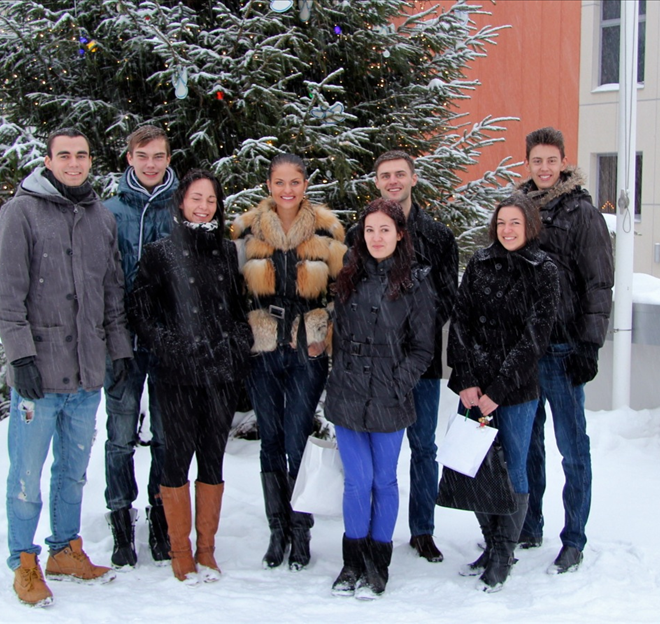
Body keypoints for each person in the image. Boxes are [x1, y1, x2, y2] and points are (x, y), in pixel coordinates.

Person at [0, 128, 132, 607]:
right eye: (64, 155)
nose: (74, 163)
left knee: (73, 472)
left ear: (91, 160)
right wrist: (21, 357)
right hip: (41, 373)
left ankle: (65, 549)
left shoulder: (100, 217)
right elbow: (6, 295)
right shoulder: (21, 213)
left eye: (82, 155)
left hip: (87, 375)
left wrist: (120, 350)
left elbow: (112, 291)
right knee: (27, 474)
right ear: (48, 161)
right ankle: (24, 561)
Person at [129, 169, 253, 584]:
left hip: (220, 373)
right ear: (181, 202)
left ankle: (207, 549)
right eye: (196, 198)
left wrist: (237, 343)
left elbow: (240, 308)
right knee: (176, 457)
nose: (204, 207)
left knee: (213, 458)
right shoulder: (159, 253)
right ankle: (180, 550)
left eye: (211, 200)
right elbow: (141, 310)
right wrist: (170, 346)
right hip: (177, 375)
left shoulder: (228, 253)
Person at [231, 153, 347, 571]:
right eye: (279, 182)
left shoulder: (326, 228)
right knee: (271, 440)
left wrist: (324, 334)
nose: (287, 190)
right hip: (262, 347)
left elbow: (343, 290)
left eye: (294, 182)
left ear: (305, 184)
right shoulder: (247, 228)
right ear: (269, 185)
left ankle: (301, 530)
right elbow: (233, 291)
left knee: (297, 438)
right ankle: (276, 529)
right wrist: (244, 333)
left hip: (305, 349)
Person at [345, 151, 459, 562]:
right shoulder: (360, 233)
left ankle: (422, 529)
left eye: (400, 174)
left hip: (419, 363)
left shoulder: (439, 237)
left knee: (423, 446)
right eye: (385, 175)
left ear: (413, 178)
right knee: (373, 462)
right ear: (376, 182)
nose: (393, 181)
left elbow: (446, 298)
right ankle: (369, 534)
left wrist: (408, 338)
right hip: (369, 371)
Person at [447, 193, 559, 592]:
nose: (507, 230)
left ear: (529, 226)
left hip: (515, 389)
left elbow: (535, 337)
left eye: (515, 223)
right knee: (474, 464)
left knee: (512, 467)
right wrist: (466, 378)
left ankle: (503, 552)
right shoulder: (479, 263)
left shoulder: (544, 270)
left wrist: (498, 389)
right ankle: (492, 541)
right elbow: (461, 320)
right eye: (501, 223)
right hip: (474, 386)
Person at [326, 198, 436, 599]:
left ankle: (378, 562)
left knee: (383, 480)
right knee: (357, 481)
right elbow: (338, 335)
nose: (376, 237)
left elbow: (423, 348)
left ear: (400, 234)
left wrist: (397, 382)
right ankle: (352, 561)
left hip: (390, 396)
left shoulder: (416, 282)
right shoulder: (348, 275)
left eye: (385, 230)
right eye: (370, 230)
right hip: (348, 393)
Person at [517, 127, 614, 574]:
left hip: (563, 349)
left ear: (563, 162)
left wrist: (589, 344)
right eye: (536, 160)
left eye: (551, 160)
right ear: (528, 163)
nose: (544, 168)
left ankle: (574, 537)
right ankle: (529, 524)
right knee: (527, 445)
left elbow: (598, 283)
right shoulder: (516, 210)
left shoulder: (583, 213)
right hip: (524, 351)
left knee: (573, 449)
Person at [102, 125, 178, 568]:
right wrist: (111, 336)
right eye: (143, 156)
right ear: (129, 158)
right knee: (119, 437)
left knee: (166, 438)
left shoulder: (182, 208)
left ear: (168, 159)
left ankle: (160, 518)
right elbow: (100, 280)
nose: (151, 164)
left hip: (167, 346)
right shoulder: (107, 212)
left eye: (159, 156)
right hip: (122, 343)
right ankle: (120, 520)